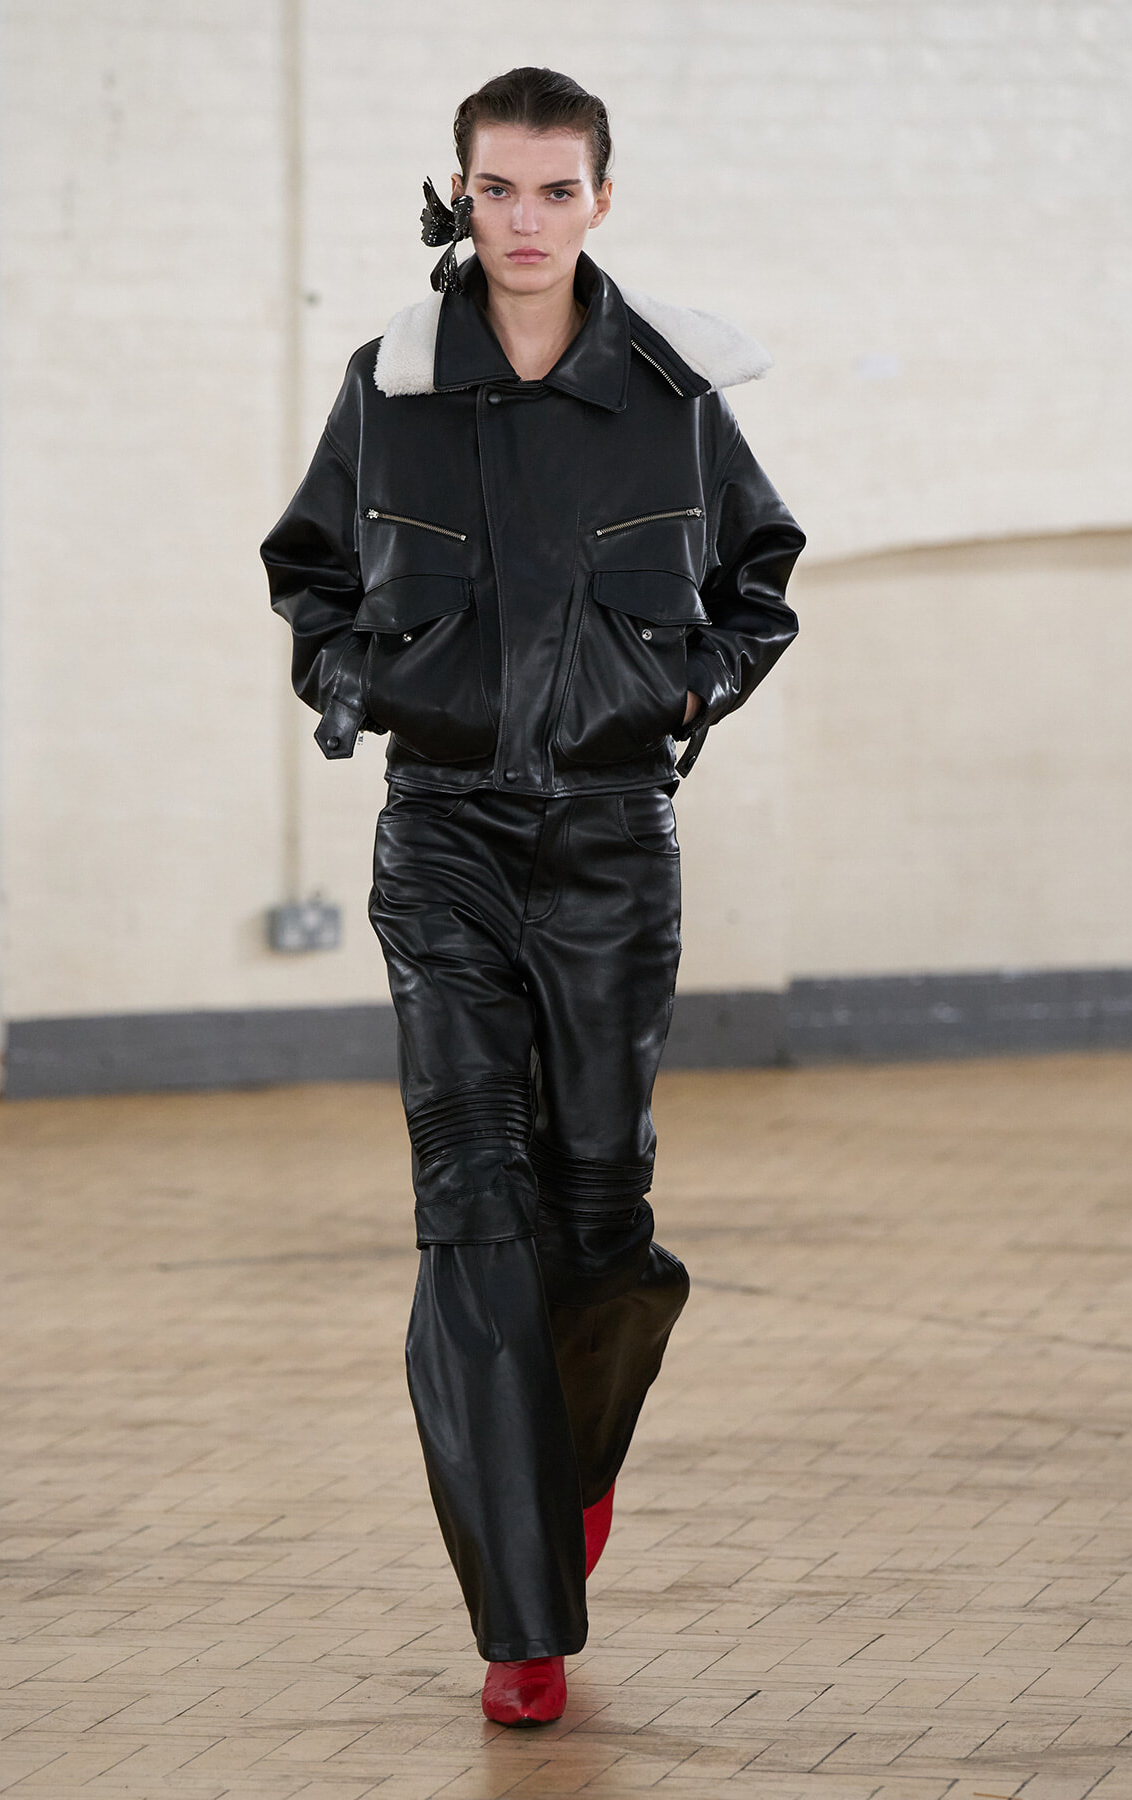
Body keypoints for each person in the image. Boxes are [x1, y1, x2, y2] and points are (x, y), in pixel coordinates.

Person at [261, 66, 805, 1726]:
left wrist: (687, 691)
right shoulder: (393, 383)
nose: (524, 220)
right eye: (496, 188)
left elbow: (761, 578)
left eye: (556, 190)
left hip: (612, 845)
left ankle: (564, 1468)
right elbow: (307, 569)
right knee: (473, 1210)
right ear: (461, 193)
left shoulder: (672, 392)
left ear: (600, 201)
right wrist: (365, 682)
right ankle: (523, 1620)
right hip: (440, 841)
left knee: (599, 1221)